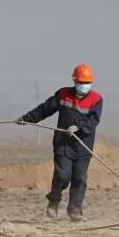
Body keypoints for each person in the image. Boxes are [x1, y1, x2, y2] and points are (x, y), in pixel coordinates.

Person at [16, 64, 103, 222]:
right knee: (62, 175)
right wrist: (26, 118)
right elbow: (45, 109)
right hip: (63, 145)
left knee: (80, 179)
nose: (84, 86)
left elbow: (94, 120)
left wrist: (79, 128)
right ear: (74, 80)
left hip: (83, 147)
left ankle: (75, 209)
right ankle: (54, 201)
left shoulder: (96, 99)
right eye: (81, 82)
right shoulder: (63, 94)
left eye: (87, 82)